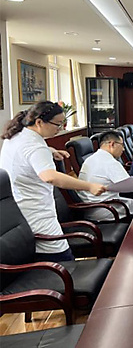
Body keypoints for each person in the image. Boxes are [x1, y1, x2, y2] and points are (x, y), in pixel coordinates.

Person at [0, 101, 106, 262]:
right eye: (57, 124)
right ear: (39, 122)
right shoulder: (35, 146)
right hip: (37, 216)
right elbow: (50, 176)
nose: (60, 128)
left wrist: (50, 151)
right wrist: (89, 186)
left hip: (17, 215)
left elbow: (25, 155)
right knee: (65, 261)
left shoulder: (16, 136)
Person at [78, 131, 133, 221]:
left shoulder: (92, 159)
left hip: (91, 208)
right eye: (122, 145)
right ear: (112, 144)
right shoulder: (109, 162)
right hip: (105, 209)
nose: (123, 149)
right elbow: (130, 187)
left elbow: (122, 183)